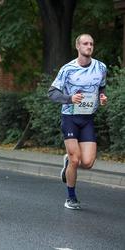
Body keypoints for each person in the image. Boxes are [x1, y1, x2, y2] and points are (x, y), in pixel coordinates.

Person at [48, 34, 108, 210]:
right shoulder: (67, 69)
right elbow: (52, 93)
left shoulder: (101, 67)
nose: (89, 46)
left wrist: (102, 96)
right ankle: (71, 198)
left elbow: (102, 86)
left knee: (87, 162)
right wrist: (69, 98)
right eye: (85, 43)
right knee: (76, 159)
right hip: (70, 118)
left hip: (88, 118)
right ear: (78, 46)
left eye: (91, 43)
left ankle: (68, 162)